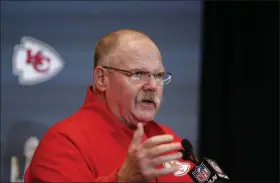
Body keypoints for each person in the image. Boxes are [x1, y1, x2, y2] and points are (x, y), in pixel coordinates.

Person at [24, 29, 195, 182]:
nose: (152, 85)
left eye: (158, 76)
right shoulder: (63, 144)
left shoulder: (168, 138)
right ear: (101, 79)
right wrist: (122, 180)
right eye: (138, 74)